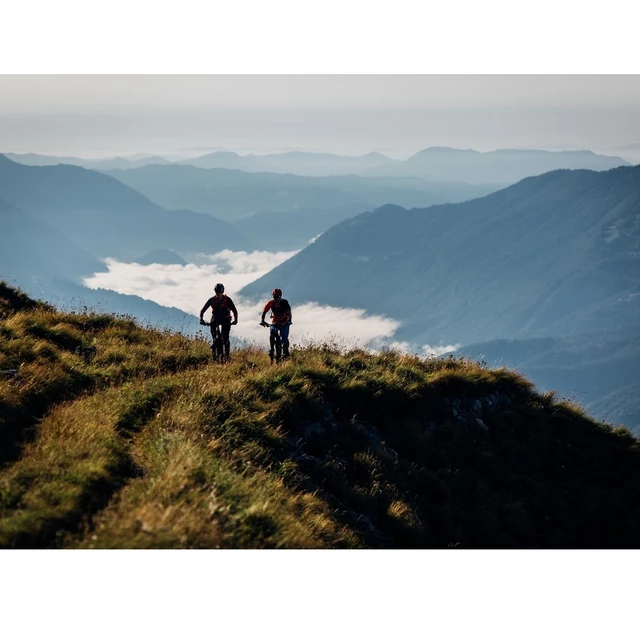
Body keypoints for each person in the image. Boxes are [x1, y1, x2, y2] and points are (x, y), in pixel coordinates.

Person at [199, 283, 238, 360]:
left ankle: (227, 356)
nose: (218, 294)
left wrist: (235, 320)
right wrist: (201, 319)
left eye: (219, 292)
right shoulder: (212, 300)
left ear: (222, 292)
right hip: (215, 319)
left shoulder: (227, 300)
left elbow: (234, 310)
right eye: (217, 292)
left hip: (226, 319)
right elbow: (202, 310)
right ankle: (215, 353)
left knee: (225, 338)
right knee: (215, 337)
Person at [260, 288, 292, 360]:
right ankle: (272, 350)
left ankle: (286, 352)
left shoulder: (284, 303)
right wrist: (262, 321)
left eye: (278, 297)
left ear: (280, 297)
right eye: (275, 297)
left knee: (284, 338)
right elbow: (264, 312)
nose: (276, 299)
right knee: (272, 333)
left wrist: (289, 320)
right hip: (275, 322)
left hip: (284, 322)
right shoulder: (270, 303)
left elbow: (289, 313)